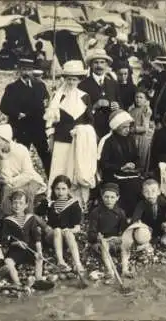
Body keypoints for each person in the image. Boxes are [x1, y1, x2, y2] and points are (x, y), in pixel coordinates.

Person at [44, 60, 97, 210]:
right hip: (62, 139)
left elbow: (89, 120)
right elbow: (50, 121)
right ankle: (56, 199)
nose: (71, 82)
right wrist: (51, 137)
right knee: (60, 167)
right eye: (68, 78)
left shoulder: (85, 96)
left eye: (74, 79)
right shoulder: (58, 96)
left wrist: (84, 131)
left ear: (79, 80)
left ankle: (76, 202)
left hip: (79, 141)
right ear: (64, 78)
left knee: (76, 169)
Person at [0, 62, 51, 176]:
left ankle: (52, 182)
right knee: (20, 156)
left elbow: (46, 101)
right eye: (24, 69)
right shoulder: (12, 88)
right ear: (20, 70)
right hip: (21, 128)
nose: (27, 72)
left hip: (38, 128)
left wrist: (47, 109)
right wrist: (17, 113)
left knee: (46, 156)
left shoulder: (40, 85)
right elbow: (3, 106)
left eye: (30, 69)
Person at [0, 124, 47, 214]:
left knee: (26, 192)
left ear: (5, 139)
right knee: (6, 191)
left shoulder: (21, 149)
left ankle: (29, 221)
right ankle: (8, 220)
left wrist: (12, 182)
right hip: (9, 183)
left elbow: (28, 173)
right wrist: (3, 160)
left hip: (30, 180)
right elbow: (3, 179)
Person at [98, 110, 143, 217]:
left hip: (130, 173)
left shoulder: (130, 139)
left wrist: (133, 164)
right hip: (113, 174)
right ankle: (122, 216)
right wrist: (121, 168)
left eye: (128, 127)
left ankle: (134, 217)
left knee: (137, 184)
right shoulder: (108, 141)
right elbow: (104, 164)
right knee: (128, 186)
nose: (127, 130)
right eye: (124, 127)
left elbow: (137, 158)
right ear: (117, 127)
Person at [87, 183, 128, 282]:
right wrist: (97, 237)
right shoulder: (96, 212)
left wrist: (121, 238)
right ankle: (110, 270)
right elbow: (91, 233)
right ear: (102, 197)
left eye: (112, 197)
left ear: (117, 198)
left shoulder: (120, 212)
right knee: (105, 244)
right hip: (101, 242)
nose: (109, 200)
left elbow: (125, 231)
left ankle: (125, 269)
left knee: (126, 244)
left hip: (115, 241)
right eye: (106, 197)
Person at [2, 190, 44, 285]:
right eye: (15, 203)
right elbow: (5, 239)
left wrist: (39, 251)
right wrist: (17, 243)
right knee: (8, 262)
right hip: (15, 250)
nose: (17, 205)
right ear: (11, 204)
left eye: (21, 203)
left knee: (39, 258)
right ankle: (18, 284)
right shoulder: (7, 221)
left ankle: (39, 280)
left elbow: (36, 236)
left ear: (25, 205)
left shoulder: (30, 218)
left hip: (30, 249)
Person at [43, 175, 84, 273]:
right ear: (53, 189)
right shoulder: (51, 204)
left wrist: (68, 230)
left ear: (68, 189)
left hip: (68, 237)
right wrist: (46, 228)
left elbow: (77, 228)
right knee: (57, 229)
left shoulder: (74, 204)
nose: (60, 192)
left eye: (63, 189)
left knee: (67, 232)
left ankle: (77, 263)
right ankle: (60, 261)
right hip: (53, 236)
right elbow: (49, 224)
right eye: (57, 189)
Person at [78, 48, 122, 139]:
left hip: (110, 129)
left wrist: (118, 106)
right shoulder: (83, 85)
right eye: (96, 62)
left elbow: (121, 104)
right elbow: (79, 112)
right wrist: (94, 107)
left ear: (106, 64)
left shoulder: (113, 84)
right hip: (92, 129)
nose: (99, 65)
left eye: (102, 62)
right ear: (91, 65)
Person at [130, 179, 166, 250]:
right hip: (148, 230)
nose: (150, 194)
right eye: (146, 192)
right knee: (139, 229)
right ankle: (148, 243)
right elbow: (135, 219)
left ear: (159, 192)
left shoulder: (162, 202)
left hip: (161, 228)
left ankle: (164, 240)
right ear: (143, 193)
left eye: (153, 191)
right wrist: (143, 225)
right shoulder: (141, 204)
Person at [128, 90, 153, 171]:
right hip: (131, 138)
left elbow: (145, 128)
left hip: (141, 139)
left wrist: (132, 129)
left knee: (140, 162)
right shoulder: (131, 110)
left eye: (141, 97)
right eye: (136, 97)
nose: (138, 99)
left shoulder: (146, 110)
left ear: (145, 100)